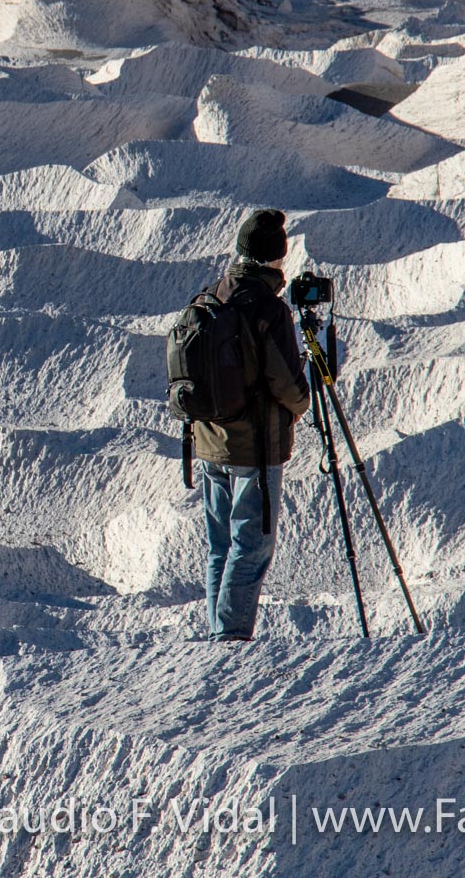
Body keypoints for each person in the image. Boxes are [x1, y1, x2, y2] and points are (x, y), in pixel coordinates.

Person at [193, 208, 310, 642]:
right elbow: (289, 387)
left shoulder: (212, 295)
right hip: (254, 450)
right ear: (277, 259)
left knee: (220, 547)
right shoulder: (269, 310)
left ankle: (219, 633)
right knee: (251, 547)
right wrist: (305, 398)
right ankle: (230, 638)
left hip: (208, 443)